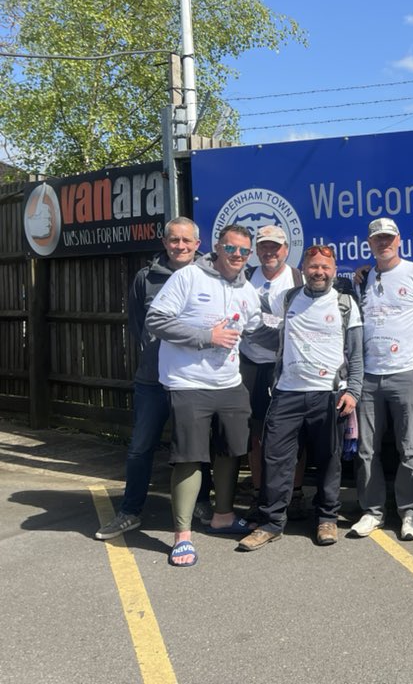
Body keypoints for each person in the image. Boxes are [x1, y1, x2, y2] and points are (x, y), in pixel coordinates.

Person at [146, 224, 262, 567]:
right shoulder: (189, 277)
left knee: (229, 450)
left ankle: (223, 516)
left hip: (229, 383)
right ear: (216, 248)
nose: (237, 256)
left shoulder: (247, 289)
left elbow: (258, 327)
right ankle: (182, 536)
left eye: (243, 251)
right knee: (189, 457)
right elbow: (156, 319)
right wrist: (205, 336)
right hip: (188, 383)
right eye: (231, 249)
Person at [238, 244, 363, 550]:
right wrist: (241, 327)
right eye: (313, 266)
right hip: (287, 393)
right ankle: (270, 523)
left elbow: (357, 354)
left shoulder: (345, 303)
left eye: (325, 267)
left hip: (330, 394)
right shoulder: (288, 298)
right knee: (275, 458)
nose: (319, 272)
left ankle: (326, 519)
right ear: (303, 269)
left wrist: (354, 391)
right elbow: (266, 330)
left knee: (329, 460)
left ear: (333, 271)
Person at [95, 217, 204, 539]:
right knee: (140, 448)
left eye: (187, 241)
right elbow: (138, 324)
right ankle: (130, 511)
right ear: (165, 242)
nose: (180, 246)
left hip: (192, 380)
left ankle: (200, 506)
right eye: (174, 240)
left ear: (197, 244)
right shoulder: (146, 278)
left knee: (196, 447)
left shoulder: (209, 277)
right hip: (153, 379)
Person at [352, 217, 413, 540]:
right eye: (377, 239)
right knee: (366, 449)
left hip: (406, 373)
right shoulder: (363, 277)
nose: (383, 243)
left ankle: (409, 512)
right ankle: (372, 511)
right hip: (369, 376)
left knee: (410, 447)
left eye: (388, 238)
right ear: (370, 243)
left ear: (399, 240)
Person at [238, 225, 303, 518]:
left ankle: (296, 493)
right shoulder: (244, 280)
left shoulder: (299, 279)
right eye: (263, 246)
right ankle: (258, 492)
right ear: (256, 250)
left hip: (288, 365)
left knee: (293, 431)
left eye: (275, 247)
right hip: (251, 364)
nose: (269, 252)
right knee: (255, 433)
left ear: (286, 249)